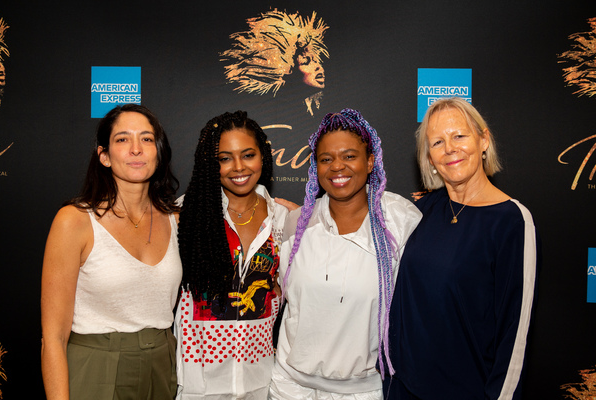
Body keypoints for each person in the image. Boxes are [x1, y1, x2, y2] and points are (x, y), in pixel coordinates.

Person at [384, 97, 539, 399]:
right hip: (402, 390)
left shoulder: (512, 221)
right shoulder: (420, 211)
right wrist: (308, 215)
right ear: (429, 157)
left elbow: (514, 335)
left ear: (483, 140)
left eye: (460, 136)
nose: (450, 148)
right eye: (437, 142)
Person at [269, 109, 422, 399]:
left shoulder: (401, 220)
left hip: (362, 391)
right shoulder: (296, 223)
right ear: (316, 167)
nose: (337, 167)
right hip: (290, 387)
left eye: (349, 156)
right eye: (326, 159)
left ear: (370, 161)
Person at [41, 104, 182, 399]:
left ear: (158, 151)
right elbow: (53, 337)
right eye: (122, 139)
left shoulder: (176, 218)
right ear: (104, 156)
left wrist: (290, 213)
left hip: (161, 366)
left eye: (146, 138)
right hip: (96, 369)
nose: (135, 149)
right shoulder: (75, 221)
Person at [175, 110, 289, 399]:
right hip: (196, 385)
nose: (238, 167)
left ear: (263, 156)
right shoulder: (184, 216)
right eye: (224, 158)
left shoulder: (284, 218)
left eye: (248, 155)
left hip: (260, 382)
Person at [220, 9, 329, 116]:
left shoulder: (312, 115)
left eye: (316, 61)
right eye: (306, 62)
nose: (318, 67)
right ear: (287, 70)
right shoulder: (278, 115)